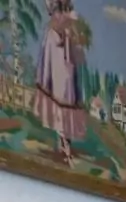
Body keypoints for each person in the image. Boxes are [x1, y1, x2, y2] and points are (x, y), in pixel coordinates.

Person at [34, 0, 88, 163]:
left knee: (67, 96)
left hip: (66, 59)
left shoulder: (68, 12)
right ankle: (63, 143)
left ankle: (65, 142)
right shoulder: (53, 24)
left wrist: (73, 32)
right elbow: (55, 20)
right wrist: (65, 23)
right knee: (59, 95)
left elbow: (73, 34)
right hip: (56, 56)